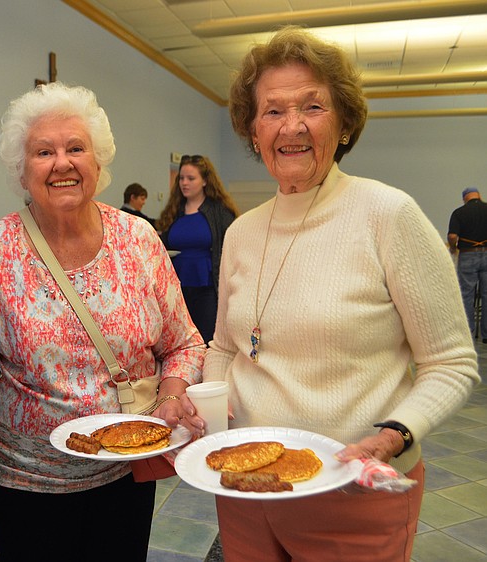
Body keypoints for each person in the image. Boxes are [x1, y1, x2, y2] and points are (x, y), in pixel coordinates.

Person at [185, 27, 479, 561]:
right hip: (249, 489)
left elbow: (452, 362)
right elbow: (226, 347)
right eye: (272, 110)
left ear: (343, 123)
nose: (291, 126)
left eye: (312, 107)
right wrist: (214, 417)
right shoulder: (241, 232)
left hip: (354, 490)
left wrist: (395, 436)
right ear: (252, 131)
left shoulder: (389, 216)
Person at [0, 82, 205, 562]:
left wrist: (173, 395)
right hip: (26, 482)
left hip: (123, 470)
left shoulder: (138, 239)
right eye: (43, 151)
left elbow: (186, 343)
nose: (62, 163)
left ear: (98, 162)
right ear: (21, 169)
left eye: (76, 148)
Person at [155, 155, 238, 343]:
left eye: (190, 178)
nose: (184, 183)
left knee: (206, 338)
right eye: (181, 178)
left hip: (207, 287)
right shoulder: (174, 210)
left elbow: (233, 249)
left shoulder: (219, 212)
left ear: (205, 181)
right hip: (176, 287)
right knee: (179, 339)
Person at [448, 186, 487, 341]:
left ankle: (467, 333)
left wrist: (453, 248)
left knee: (466, 295)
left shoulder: (459, 213)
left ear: (465, 198)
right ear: (479, 196)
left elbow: (452, 236)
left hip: (467, 255)